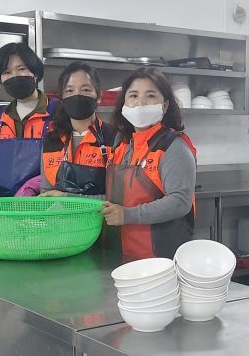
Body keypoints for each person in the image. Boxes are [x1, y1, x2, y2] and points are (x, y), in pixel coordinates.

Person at [101, 68, 197, 261]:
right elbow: (113, 197)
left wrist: (127, 215)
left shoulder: (174, 146)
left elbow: (180, 202)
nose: (140, 102)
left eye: (151, 96)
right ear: (124, 103)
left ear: (165, 105)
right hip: (120, 256)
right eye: (133, 95)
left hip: (159, 260)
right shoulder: (122, 145)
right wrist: (70, 198)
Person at [0, 42, 58, 198]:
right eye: (7, 72)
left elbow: (63, 166)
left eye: (21, 69)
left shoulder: (58, 113)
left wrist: (31, 186)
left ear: (35, 72)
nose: (14, 76)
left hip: (46, 204)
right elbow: (1, 168)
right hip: (8, 207)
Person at [40, 61, 116, 198]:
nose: (77, 95)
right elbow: (46, 194)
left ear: (99, 96)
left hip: (102, 213)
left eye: (85, 90)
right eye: (69, 91)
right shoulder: (51, 140)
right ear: (62, 98)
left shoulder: (115, 137)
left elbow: (120, 198)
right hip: (58, 212)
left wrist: (69, 198)